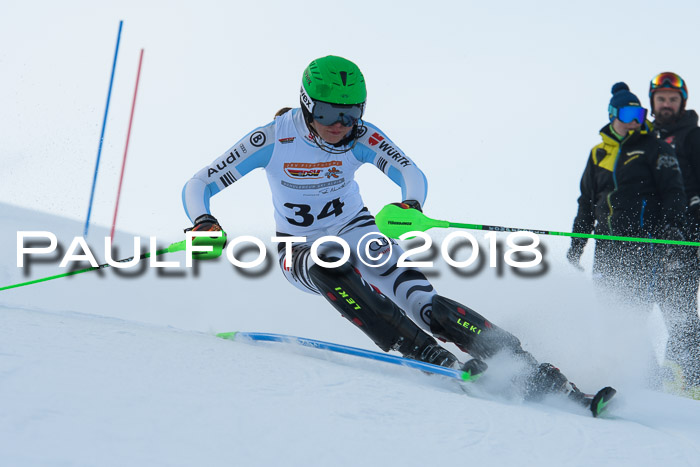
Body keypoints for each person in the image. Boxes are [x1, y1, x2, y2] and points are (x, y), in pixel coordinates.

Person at [183, 55, 587, 401]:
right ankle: (426, 355)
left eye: (351, 113)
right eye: (327, 114)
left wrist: (410, 204)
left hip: (358, 230)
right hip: (299, 247)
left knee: (426, 303)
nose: (340, 125)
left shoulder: (361, 135)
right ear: (306, 106)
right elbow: (200, 183)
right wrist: (203, 220)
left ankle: (530, 370)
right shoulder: (272, 139)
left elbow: (408, 171)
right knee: (328, 262)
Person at [567, 82, 687, 383]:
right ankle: (625, 374)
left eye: (640, 112)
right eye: (629, 112)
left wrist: (673, 227)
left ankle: (648, 377)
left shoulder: (654, 147)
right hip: (607, 248)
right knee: (611, 312)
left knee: (633, 312)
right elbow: (586, 204)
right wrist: (577, 245)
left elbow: (674, 191)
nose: (636, 119)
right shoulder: (598, 154)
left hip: (642, 245)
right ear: (613, 114)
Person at [648, 72, 700, 391]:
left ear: (682, 103)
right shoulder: (644, 139)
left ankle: (690, 378)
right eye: (661, 99)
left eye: (673, 99)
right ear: (652, 102)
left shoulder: (692, 136)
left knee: (679, 309)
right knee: (644, 306)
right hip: (653, 238)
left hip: (687, 238)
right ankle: (655, 376)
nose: (667, 104)